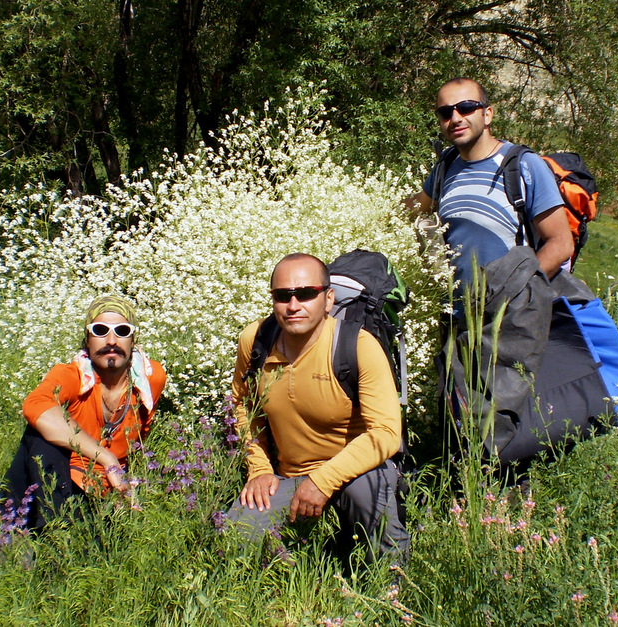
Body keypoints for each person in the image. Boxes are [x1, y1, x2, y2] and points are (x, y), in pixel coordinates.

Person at [227, 253, 409, 563]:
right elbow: (243, 405)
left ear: (328, 299)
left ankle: (391, 592)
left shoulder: (358, 346)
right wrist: (258, 469)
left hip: (357, 473)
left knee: (370, 494)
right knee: (235, 539)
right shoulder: (255, 340)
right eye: (283, 295)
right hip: (288, 476)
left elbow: (387, 433)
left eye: (306, 293)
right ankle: (286, 582)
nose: (294, 305)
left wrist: (322, 481)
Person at [2, 295, 167, 530]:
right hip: (63, 477)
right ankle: (47, 532)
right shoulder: (72, 375)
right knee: (39, 434)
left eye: (122, 331)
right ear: (87, 340)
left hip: (111, 485)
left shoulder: (151, 378)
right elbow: (35, 405)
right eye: (100, 330)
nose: (112, 340)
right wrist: (107, 458)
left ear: (133, 340)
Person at [405, 76, 574, 303]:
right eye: (446, 113)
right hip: (455, 318)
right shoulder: (446, 166)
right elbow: (416, 206)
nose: (455, 118)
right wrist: (371, 217)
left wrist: (517, 295)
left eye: (466, 108)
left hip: (509, 319)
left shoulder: (523, 165)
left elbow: (561, 243)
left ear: (487, 114)